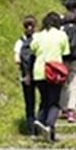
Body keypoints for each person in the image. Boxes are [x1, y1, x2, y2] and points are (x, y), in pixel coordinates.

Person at [31, 12, 69, 141]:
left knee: (44, 100)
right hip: (54, 72)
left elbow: (33, 50)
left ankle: (39, 121)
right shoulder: (61, 35)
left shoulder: (37, 36)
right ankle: (49, 125)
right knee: (54, 103)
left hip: (39, 72)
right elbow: (65, 52)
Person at [12, 15, 37, 133]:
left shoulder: (20, 41)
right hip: (39, 73)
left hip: (26, 75)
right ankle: (42, 122)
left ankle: (30, 126)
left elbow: (16, 59)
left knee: (29, 101)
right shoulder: (38, 39)